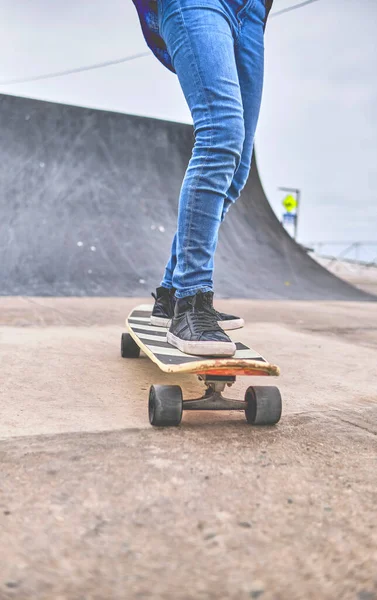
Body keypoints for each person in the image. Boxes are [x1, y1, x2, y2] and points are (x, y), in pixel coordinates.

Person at [132, 0, 273, 357]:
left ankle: (169, 294)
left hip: (252, 13)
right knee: (220, 136)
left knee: (237, 172)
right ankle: (192, 300)